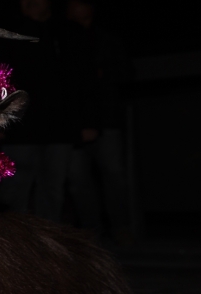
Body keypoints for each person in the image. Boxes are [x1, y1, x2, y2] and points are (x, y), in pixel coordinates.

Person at [0, 0, 97, 223]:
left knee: (52, 192)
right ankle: (14, 248)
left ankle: (45, 248)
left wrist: (87, 122)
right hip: (19, 130)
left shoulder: (68, 31)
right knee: (14, 191)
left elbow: (85, 78)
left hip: (60, 127)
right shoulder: (8, 32)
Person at [66, 0, 134, 243]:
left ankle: (121, 227)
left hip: (106, 121)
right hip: (73, 124)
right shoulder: (62, 40)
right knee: (77, 179)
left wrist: (103, 75)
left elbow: (124, 75)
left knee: (114, 175)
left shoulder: (108, 41)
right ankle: (91, 230)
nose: (76, 6)